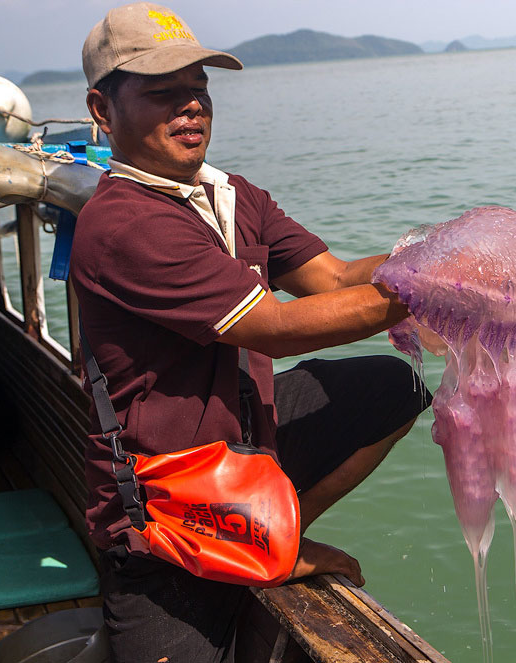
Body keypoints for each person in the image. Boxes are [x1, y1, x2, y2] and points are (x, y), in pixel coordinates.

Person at [71, 3, 430, 661]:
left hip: (243, 453)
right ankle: (263, 548)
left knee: (394, 387)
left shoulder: (234, 195)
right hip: (163, 512)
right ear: (102, 108)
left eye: (198, 89)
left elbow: (335, 277)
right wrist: (425, 293)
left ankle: (274, 542)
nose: (191, 107)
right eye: (162, 93)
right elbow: (273, 327)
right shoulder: (125, 222)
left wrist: (441, 255)